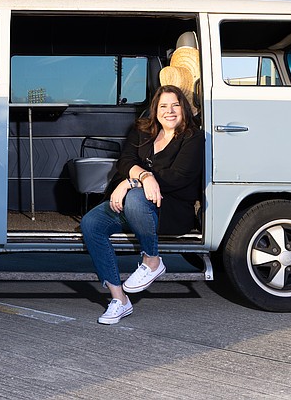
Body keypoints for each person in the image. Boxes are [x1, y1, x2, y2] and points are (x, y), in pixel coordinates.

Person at [80, 85, 203, 324]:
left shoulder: (193, 137)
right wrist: (142, 178)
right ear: (155, 110)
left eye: (175, 105)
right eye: (163, 106)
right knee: (91, 223)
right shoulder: (142, 130)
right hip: (133, 205)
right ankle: (119, 300)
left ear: (184, 109)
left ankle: (152, 260)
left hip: (171, 208)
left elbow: (177, 177)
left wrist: (131, 183)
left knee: (137, 198)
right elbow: (125, 160)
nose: (169, 111)